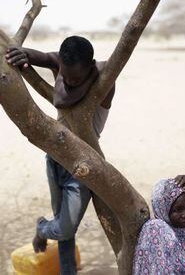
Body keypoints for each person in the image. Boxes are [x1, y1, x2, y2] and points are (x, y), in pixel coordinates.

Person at [6, 36, 115, 275]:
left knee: (65, 228)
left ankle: (42, 228)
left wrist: (62, 77)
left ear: (90, 67)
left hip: (82, 166)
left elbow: (60, 99)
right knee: (64, 223)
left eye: (75, 78)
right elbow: (44, 57)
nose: (68, 81)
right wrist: (22, 53)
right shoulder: (62, 67)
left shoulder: (105, 81)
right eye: (64, 74)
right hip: (55, 159)